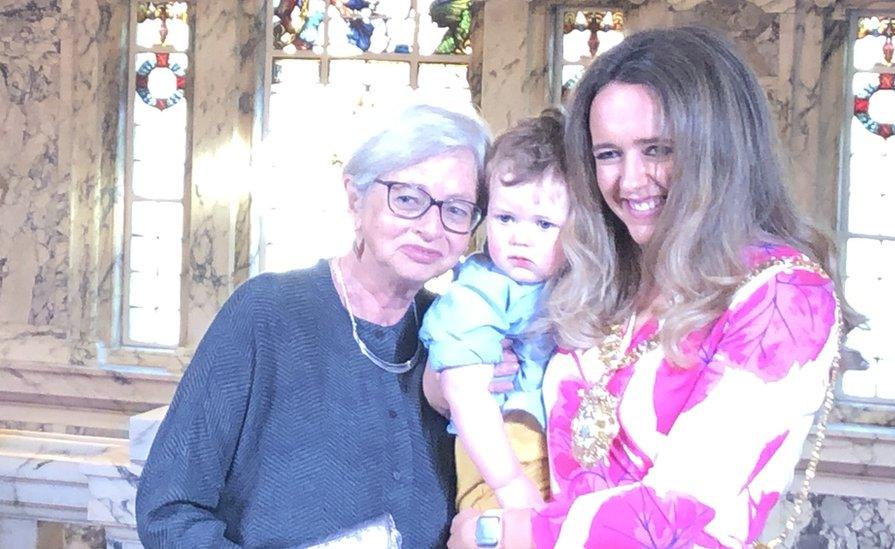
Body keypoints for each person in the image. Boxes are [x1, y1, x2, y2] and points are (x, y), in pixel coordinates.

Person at [447, 26, 858, 548]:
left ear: (719, 149)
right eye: (608, 154)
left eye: (657, 149)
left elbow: (678, 512)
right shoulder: (605, 268)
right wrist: (451, 381)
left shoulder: (785, 296)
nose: (630, 181)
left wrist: (493, 535)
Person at [136, 104, 494, 548]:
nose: (430, 227)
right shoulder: (267, 312)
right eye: (407, 199)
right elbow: (169, 509)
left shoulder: (465, 341)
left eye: (456, 210)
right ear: (355, 197)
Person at [420, 110, 569, 512]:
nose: (519, 238)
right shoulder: (478, 293)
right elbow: (465, 393)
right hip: (501, 446)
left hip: (557, 450)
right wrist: (509, 484)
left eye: (543, 224)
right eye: (505, 218)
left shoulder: (563, 282)